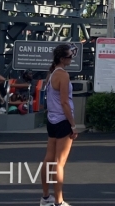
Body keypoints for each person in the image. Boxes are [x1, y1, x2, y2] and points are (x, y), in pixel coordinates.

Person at [40, 44, 79, 206]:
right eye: (70, 56)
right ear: (62, 59)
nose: (72, 58)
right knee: (59, 162)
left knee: (49, 158)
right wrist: (73, 125)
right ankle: (59, 201)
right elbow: (64, 102)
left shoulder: (52, 73)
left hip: (52, 120)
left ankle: (45, 197)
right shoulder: (63, 75)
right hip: (62, 120)